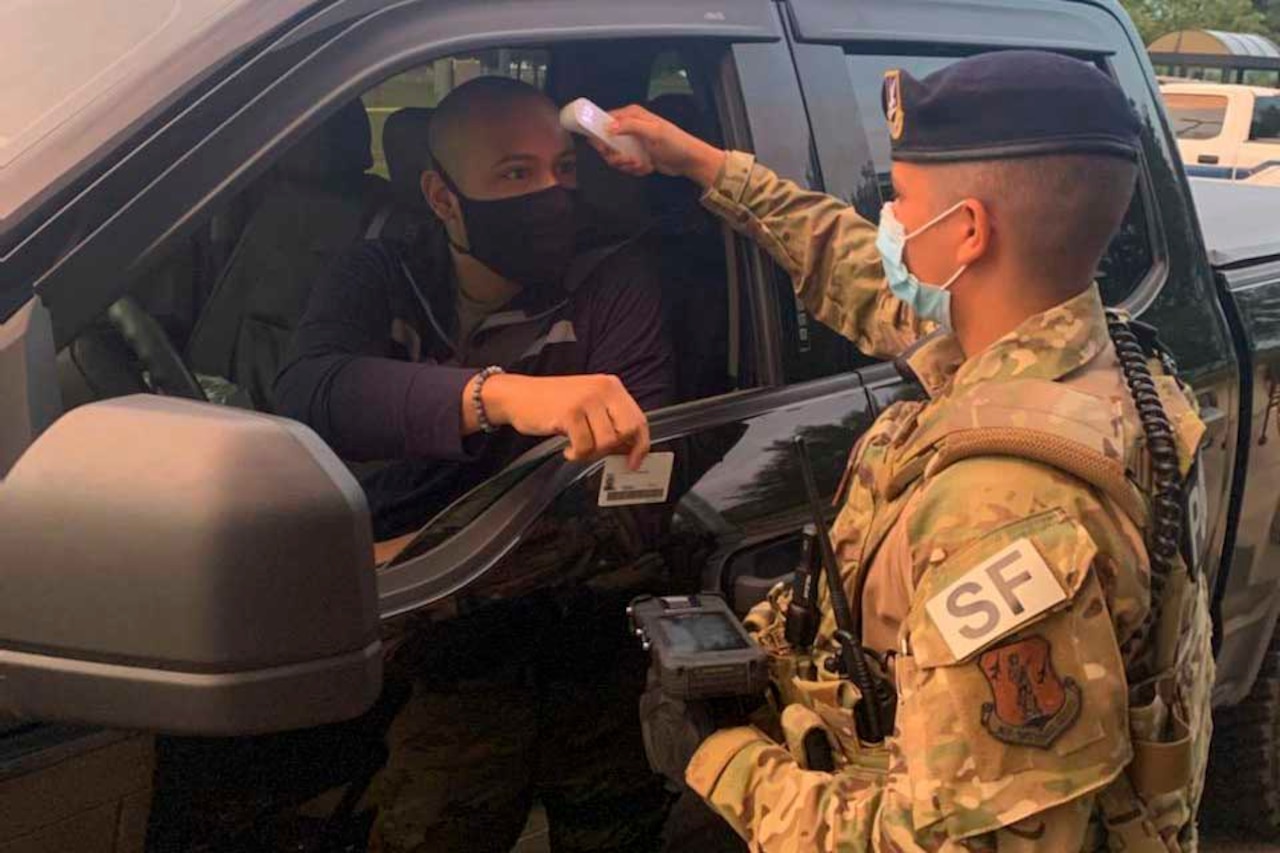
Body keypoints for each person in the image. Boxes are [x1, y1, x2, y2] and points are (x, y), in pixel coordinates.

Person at [592, 51, 1213, 851]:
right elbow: (853, 267)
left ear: (967, 233)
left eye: (902, 199)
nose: (886, 216)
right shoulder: (1086, 350)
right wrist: (703, 165)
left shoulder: (1004, 509)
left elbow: (960, 841)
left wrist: (724, 761)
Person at [276, 76, 675, 852]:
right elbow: (311, 387)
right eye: (516, 175)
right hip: (429, 663)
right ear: (442, 195)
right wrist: (500, 396)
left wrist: (399, 563)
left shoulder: (609, 281)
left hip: (580, 634)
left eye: (562, 168)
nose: (553, 194)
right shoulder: (383, 272)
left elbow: (637, 493)